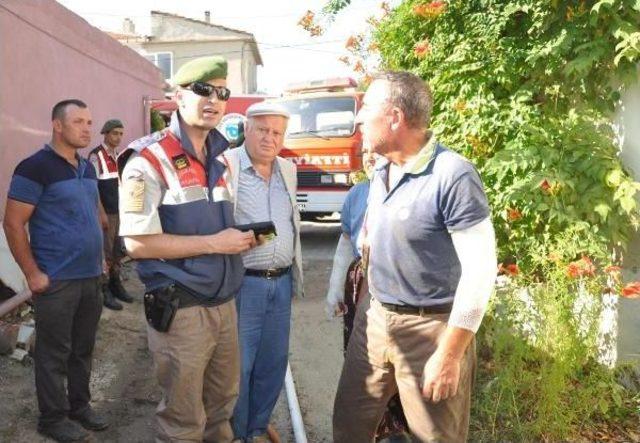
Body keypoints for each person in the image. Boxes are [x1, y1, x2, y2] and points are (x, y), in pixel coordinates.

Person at [332, 71, 498, 442]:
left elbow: (481, 272)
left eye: (366, 108)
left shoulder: (453, 175)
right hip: (375, 321)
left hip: (431, 330)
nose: (358, 119)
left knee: (434, 435)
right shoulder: (381, 170)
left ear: (394, 117)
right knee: (348, 426)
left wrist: (451, 355)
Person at [117, 56, 256, 442]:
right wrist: (216, 243)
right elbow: (137, 243)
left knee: (222, 407)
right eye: (202, 90)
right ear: (178, 96)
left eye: (222, 92)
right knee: (183, 419)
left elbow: (211, 225)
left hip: (224, 302)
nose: (214, 99)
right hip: (183, 308)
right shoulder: (147, 159)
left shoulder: (222, 156)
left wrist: (241, 238)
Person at [3, 99, 109, 442]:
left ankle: (79, 406)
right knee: (53, 354)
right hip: (57, 279)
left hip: (90, 276)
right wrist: (32, 273)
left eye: (90, 122)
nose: (87, 129)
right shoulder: (34, 168)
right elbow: (13, 224)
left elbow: (91, 213)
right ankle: (52, 418)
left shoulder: (87, 167)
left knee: (83, 348)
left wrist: (102, 259)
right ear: (57, 125)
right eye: (78, 121)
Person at [220, 102, 303, 442]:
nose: (270, 138)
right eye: (263, 130)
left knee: (273, 362)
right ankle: (237, 432)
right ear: (247, 130)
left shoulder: (287, 169)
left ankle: (256, 426)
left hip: (280, 282)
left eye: (278, 132)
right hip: (244, 285)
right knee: (239, 366)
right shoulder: (227, 166)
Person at [326, 152, 410, 442]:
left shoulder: (409, 188)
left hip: (401, 293)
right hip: (360, 287)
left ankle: (398, 428)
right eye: (365, 153)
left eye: (377, 152)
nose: (370, 158)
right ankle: (375, 428)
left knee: (397, 365)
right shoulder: (357, 193)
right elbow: (346, 242)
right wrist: (335, 289)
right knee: (360, 360)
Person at [89, 119, 133, 310]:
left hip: (120, 211)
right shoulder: (96, 156)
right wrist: (101, 213)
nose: (118, 137)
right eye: (115, 133)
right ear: (105, 133)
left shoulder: (119, 155)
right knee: (105, 252)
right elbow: (92, 188)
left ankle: (116, 285)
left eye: (121, 133)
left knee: (117, 252)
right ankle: (104, 290)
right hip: (107, 213)